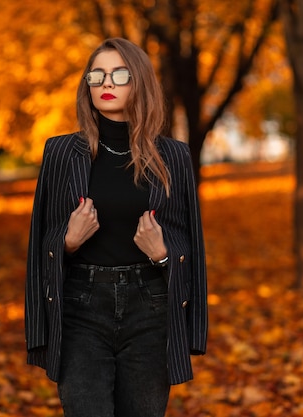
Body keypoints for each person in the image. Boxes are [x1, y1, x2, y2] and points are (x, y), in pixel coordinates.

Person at [25, 37, 207, 417]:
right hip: (81, 307)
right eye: (98, 75)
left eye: (119, 74)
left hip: (150, 307)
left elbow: (192, 246)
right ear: (87, 85)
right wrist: (68, 242)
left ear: (139, 82)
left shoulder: (173, 156)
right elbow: (40, 243)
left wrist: (163, 255)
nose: (107, 83)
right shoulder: (60, 153)